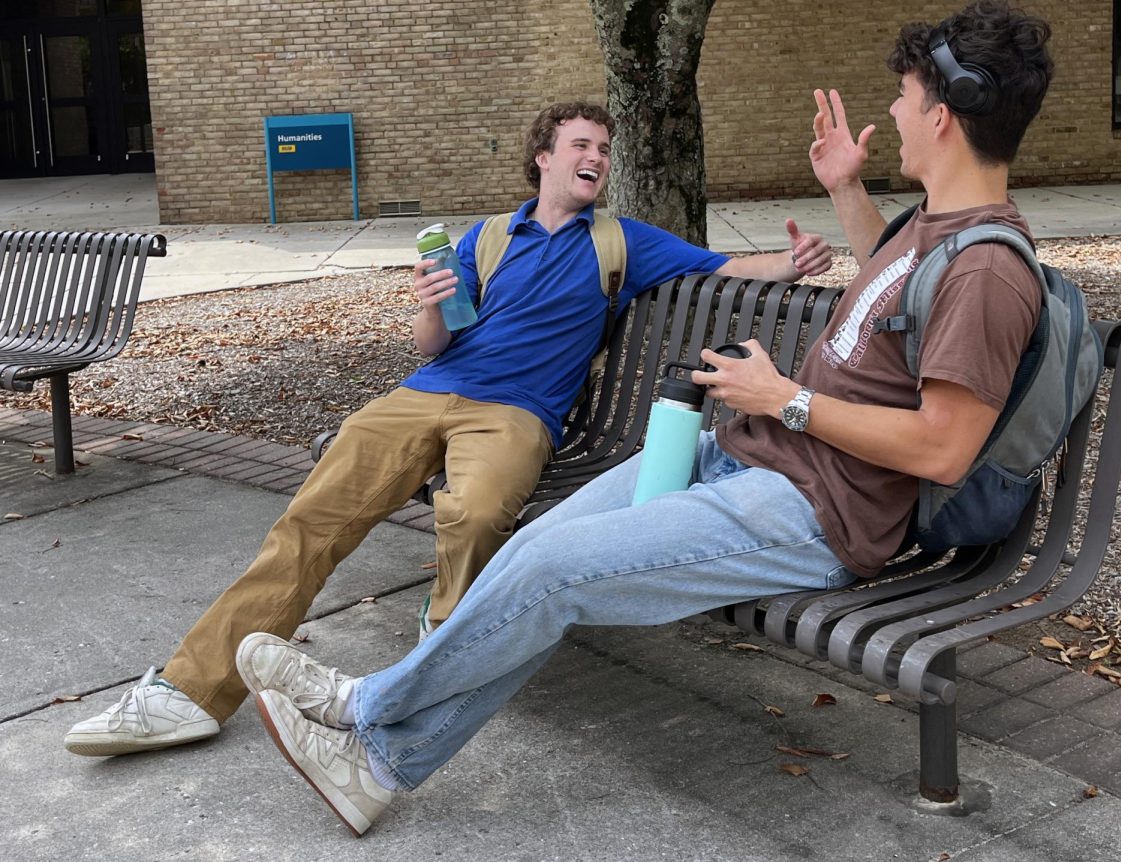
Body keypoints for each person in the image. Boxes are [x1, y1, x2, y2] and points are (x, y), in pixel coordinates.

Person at [232, 0, 1056, 837]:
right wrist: (844, 186)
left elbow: (945, 450)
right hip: (738, 452)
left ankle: (365, 709)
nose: (894, 114)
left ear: (945, 117)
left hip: (812, 510)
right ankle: (380, 766)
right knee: (530, 557)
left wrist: (788, 399)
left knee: (551, 569)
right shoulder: (934, 227)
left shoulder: (989, 269)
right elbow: (885, 288)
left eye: (908, 99)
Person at [63, 101, 833, 757]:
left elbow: (732, 264)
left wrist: (793, 263)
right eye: (581, 145)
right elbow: (435, 342)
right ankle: (188, 692)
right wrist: (428, 301)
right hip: (426, 392)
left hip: (516, 416)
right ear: (544, 158)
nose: (596, 156)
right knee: (310, 521)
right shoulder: (487, 236)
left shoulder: (622, 242)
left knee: (476, 511)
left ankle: (439, 658)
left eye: (603, 148)